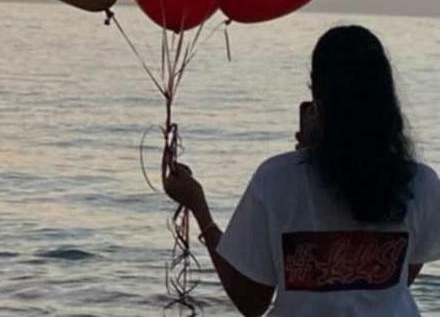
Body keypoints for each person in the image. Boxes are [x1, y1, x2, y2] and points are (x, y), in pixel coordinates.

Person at [164, 26, 440, 316]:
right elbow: (397, 280)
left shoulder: (276, 180)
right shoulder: (419, 183)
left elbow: (251, 301)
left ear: (318, 99)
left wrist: (199, 208)